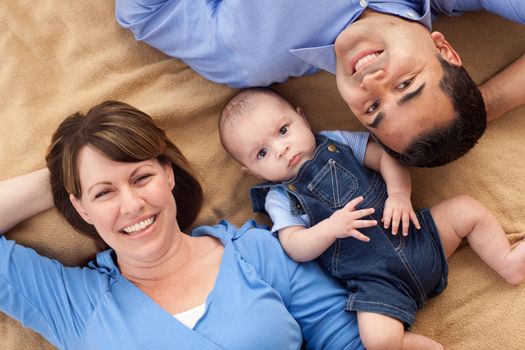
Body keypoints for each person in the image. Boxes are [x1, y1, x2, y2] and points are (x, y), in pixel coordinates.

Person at [0, 101, 364, 349]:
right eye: (104, 194)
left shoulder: (258, 252)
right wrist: (68, 173)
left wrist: (94, 178)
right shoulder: (73, 304)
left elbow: (347, 342)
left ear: (168, 174)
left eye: (141, 177)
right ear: (80, 209)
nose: (132, 204)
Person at [219, 88, 525, 350]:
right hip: (378, 285)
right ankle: (407, 344)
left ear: (303, 117)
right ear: (253, 172)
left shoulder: (336, 142)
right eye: (262, 153)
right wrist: (330, 229)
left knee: (466, 210)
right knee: (376, 340)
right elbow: (294, 245)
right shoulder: (280, 198)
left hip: (419, 236)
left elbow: (386, 157)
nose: (281, 149)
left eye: (283, 130)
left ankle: (507, 261)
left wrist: (399, 196)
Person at [115, 0, 525, 167]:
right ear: (445, 51)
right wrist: (483, 106)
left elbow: (144, 13)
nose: (371, 83)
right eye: (405, 85)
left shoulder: (247, 56)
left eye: (371, 110)